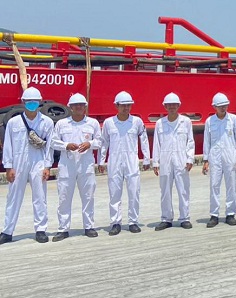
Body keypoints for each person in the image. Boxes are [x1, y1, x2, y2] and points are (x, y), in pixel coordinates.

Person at [0, 87, 54, 244]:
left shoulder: (47, 122)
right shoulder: (13, 122)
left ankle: (41, 229)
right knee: (13, 197)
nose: (32, 104)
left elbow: (49, 146)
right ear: (23, 102)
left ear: (39, 102)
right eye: (29, 102)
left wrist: (47, 166)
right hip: (18, 164)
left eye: (35, 102)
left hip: (38, 162)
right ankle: (7, 231)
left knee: (40, 197)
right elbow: (8, 145)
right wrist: (8, 166)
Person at [51, 93, 102, 240]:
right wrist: (66, 145)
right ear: (70, 107)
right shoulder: (62, 124)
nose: (78, 107)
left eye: (81, 105)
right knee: (64, 197)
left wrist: (90, 144)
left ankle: (89, 226)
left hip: (86, 164)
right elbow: (53, 142)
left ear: (85, 107)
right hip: (67, 164)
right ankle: (63, 229)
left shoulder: (92, 123)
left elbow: (100, 141)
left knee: (88, 196)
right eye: (75, 105)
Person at [99, 91, 151, 235]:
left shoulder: (137, 122)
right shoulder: (109, 123)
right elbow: (104, 143)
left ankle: (133, 221)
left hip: (131, 160)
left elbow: (144, 140)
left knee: (134, 192)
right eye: (123, 106)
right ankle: (116, 222)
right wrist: (101, 160)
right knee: (114, 193)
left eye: (128, 105)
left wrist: (147, 158)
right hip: (114, 160)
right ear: (116, 106)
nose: (126, 108)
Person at [152, 93, 195, 230]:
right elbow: (156, 144)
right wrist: (156, 162)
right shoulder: (160, 123)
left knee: (183, 189)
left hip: (181, 159)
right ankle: (166, 218)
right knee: (165, 190)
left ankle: (185, 218)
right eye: (169, 105)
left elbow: (190, 141)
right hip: (165, 159)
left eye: (174, 105)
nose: (172, 107)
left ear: (179, 106)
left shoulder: (186, 121)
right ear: (165, 106)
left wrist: (190, 158)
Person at [202, 93, 236, 227]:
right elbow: (206, 141)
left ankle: (230, 214)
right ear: (214, 106)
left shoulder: (233, 120)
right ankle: (214, 215)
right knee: (214, 185)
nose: (223, 108)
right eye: (220, 106)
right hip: (215, 156)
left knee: (231, 185)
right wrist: (205, 159)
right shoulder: (210, 121)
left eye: (225, 105)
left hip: (230, 155)